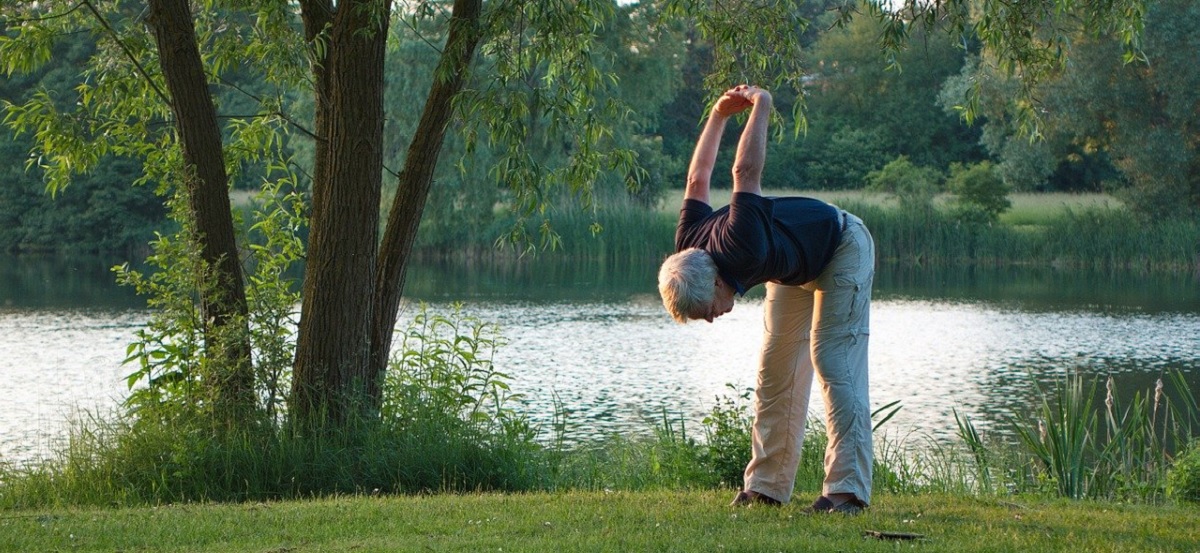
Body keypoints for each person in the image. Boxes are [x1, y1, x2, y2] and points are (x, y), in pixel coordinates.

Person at [657, 85, 875, 514]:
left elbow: (745, 172)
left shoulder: (741, 245)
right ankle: (766, 487)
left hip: (842, 245)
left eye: (707, 313)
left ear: (717, 284)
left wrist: (762, 106)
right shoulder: (688, 245)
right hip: (793, 266)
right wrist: (718, 115)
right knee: (775, 370)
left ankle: (847, 492)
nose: (713, 320)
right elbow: (697, 179)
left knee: (832, 360)